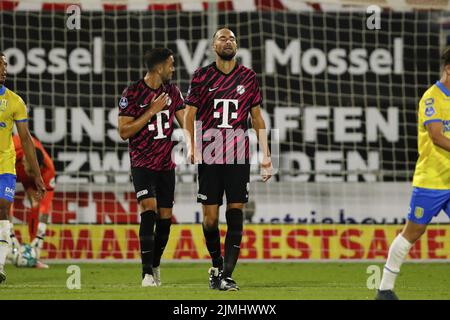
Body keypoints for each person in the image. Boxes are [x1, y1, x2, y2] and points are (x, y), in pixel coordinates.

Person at [184, 28, 272, 291]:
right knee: (210, 219)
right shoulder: (201, 76)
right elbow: (189, 116)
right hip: (209, 155)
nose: (228, 41)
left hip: (237, 155)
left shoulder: (248, 77)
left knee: (236, 212)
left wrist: (266, 155)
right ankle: (216, 264)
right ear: (213, 45)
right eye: (222, 38)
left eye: (232, 38)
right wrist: (191, 145)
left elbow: (256, 118)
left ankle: (227, 275)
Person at [376, 47, 450, 300]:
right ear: (449, 69)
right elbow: (437, 136)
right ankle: (384, 289)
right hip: (432, 180)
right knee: (413, 232)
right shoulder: (432, 98)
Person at [118, 48, 185, 287]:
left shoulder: (173, 91)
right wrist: (151, 111)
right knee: (149, 209)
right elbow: (124, 132)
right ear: (159, 67)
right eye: (171, 64)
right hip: (142, 163)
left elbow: (186, 121)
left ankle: (155, 264)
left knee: (165, 219)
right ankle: (146, 273)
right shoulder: (133, 92)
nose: (173, 69)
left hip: (166, 165)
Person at [0, 52, 45, 283]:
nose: (4, 69)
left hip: (4, 165)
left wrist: (36, 174)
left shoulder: (15, 101)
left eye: (6, 65)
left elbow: (26, 139)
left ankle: (0, 264)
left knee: (4, 207)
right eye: (0, 64)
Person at [9, 134, 55, 269]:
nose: (31, 174)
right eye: (29, 171)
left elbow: (45, 206)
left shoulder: (48, 169)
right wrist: (10, 233)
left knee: (36, 202)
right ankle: (8, 245)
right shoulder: (11, 148)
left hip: (25, 174)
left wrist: (40, 237)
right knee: (5, 201)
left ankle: (33, 253)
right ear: (24, 160)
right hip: (6, 167)